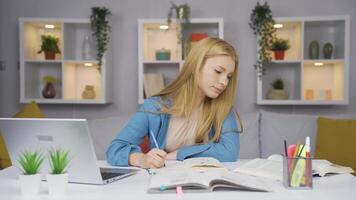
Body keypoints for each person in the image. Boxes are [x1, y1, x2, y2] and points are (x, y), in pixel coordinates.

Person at [107, 37, 242, 169]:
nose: (224, 82)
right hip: (166, 183)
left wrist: (179, 153)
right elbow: (115, 149)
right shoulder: (155, 107)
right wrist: (141, 159)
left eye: (229, 77)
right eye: (218, 71)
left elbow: (230, 152)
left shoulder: (222, 108)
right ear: (196, 65)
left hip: (206, 183)